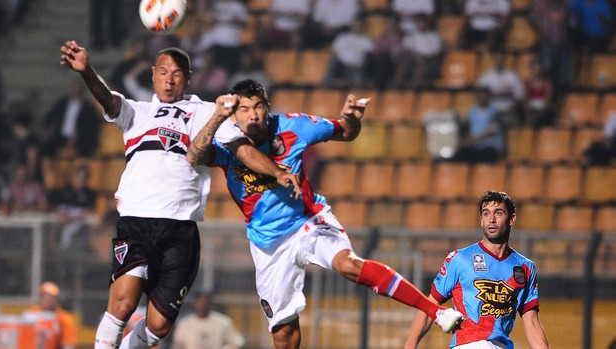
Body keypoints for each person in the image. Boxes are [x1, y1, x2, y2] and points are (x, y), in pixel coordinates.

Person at [186, 79, 465, 349]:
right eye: (244, 109)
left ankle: (436, 312)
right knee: (285, 339)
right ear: (234, 114)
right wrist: (214, 120)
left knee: (348, 264)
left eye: (258, 106)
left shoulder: (294, 125)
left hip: (307, 220)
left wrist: (351, 118)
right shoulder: (226, 140)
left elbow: (346, 131)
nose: (253, 116)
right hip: (268, 244)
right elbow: (195, 156)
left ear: (268, 108)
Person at [59, 41, 300, 349]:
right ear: (153, 76)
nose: (169, 79)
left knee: (158, 328)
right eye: (162, 72)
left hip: (180, 229)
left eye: (176, 73)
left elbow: (243, 150)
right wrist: (86, 71)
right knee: (121, 306)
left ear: (188, 78)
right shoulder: (138, 112)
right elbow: (108, 100)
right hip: (137, 221)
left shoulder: (207, 112)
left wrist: (277, 172)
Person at [404, 190, 550, 349]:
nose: (491, 220)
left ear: (512, 219)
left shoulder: (525, 267)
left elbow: (532, 322)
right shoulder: (460, 259)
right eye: (486, 214)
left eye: (498, 213)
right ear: (481, 220)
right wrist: (410, 344)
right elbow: (429, 305)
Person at [42, 78, 101, 158]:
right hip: (60, 137)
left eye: (78, 89)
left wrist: (77, 137)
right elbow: (51, 116)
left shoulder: (88, 108)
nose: (76, 91)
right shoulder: (63, 103)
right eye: (74, 88)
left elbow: (90, 126)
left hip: (79, 140)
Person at [171, 290, 245, 349]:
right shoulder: (184, 324)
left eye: (205, 301)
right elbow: (177, 346)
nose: (203, 304)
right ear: (195, 302)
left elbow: (237, 342)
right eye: (200, 301)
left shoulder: (223, 322)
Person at [452, 87, 505, 163]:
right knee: (459, 155)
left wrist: (470, 140)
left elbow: (490, 133)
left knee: (486, 157)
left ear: (488, 97)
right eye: (478, 95)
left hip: (491, 147)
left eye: (483, 96)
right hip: (476, 147)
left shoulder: (495, 112)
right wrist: (462, 140)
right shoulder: (472, 111)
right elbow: (468, 129)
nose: (480, 98)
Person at [25, 281, 78, 349]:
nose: (46, 299)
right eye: (43, 296)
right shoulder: (32, 313)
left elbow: (68, 343)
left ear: (56, 299)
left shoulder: (64, 319)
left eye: (50, 297)